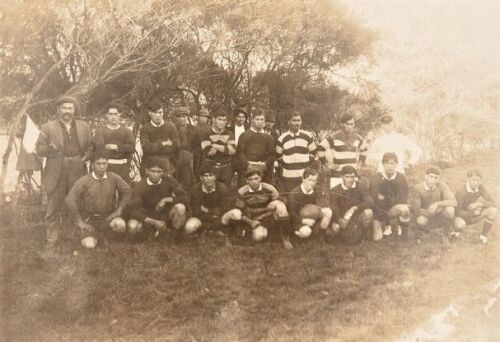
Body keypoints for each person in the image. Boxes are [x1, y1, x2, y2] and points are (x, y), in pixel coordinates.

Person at [36, 95, 93, 246]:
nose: (67, 111)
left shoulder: (83, 126)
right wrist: (49, 148)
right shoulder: (48, 127)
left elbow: (90, 147)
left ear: (74, 110)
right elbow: (39, 149)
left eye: (70, 108)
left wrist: (83, 159)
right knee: (54, 204)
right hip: (57, 169)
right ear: (58, 109)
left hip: (77, 167)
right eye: (64, 108)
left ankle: (71, 236)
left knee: (75, 202)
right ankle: (51, 238)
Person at [65, 150, 132, 249]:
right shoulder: (84, 180)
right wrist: (79, 221)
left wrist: (119, 209)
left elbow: (128, 190)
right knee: (89, 245)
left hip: (107, 218)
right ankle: (95, 236)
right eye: (98, 164)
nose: (102, 166)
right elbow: (70, 199)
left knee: (120, 224)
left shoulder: (113, 177)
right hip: (90, 219)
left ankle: (105, 235)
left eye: (104, 163)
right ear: (92, 165)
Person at [222, 169, 293, 249]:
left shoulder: (269, 188)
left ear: (260, 178)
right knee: (259, 237)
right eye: (250, 179)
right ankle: (265, 234)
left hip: (268, 216)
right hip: (253, 218)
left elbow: (283, 202)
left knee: (281, 206)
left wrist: (273, 204)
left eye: (256, 178)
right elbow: (239, 211)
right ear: (247, 181)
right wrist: (251, 222)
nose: (254, 182)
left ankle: (286, 238)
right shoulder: (242, 192)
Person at [127, 157, 189, 240]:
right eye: (152, 171)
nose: (155, 174)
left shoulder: (169, 181)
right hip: (147, 217)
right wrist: (154, 222)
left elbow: (186, 197)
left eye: (159, 171)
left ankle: (173, 238)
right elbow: (134, 211)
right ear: (147, 171)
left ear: (162, 172)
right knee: (132, 227)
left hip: (164, 216)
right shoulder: (140, 186)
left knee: (180, 207)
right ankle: (148, 235)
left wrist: (166, 200)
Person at [318, 114, 368, 188]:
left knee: (352, 198)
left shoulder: (358, 138)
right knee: (336, 198)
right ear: (342, 124)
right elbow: (320, 147)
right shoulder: (334, 136)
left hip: (352, 175)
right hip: (337, 175)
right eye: (347, 124)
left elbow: (364, 150)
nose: (350, 126)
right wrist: (327, 164)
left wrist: (360, 164)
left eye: (352, 124)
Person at [369, 152, 411, 240]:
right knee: (377, 238)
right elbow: (375, 198)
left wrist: (385, 199)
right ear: (383, 164)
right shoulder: (376, 177)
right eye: (387, 163)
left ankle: (403, 232)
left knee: (404, 209)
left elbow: (403, 199)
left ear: (396, 164)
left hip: (393, 209)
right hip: (378, 211)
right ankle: (384, 225)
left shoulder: (401, 178)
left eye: (392, 163)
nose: (390, 166)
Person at [184, 164, 233, 237]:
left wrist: (208, 210)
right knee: (189, 227)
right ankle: (207, 229)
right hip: (202, 219)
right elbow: (195, 210)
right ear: (201, 178)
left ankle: (213, 230)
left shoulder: (222, 188)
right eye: (205, 176)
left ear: (214, 177)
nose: (208, 178)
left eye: (211, 175)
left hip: (218, 218)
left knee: (231, 214)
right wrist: (212, 214)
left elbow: (226, 208)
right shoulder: (195, 189)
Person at [412, 166, 457, 245]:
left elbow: (454, 202)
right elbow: (416, 210)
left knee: (450, 210)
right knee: (420, 220)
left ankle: (445, 235)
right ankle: (420, 233)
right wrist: (428, 212)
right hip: (424, 215)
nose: (433, 180)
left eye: (436, 177)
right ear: (425, 176)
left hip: (438, 214)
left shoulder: (441, 185)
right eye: (431, 176)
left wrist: (437, 204)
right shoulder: (418, 188)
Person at [329, 166, 373, 244]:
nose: (350, 180)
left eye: (352, 177)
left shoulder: (360, 186)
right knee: (337, 230)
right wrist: (339, 220)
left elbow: (370, 202)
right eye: (347, 177)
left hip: (357, 215)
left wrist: (354, 208)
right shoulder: (334, 190)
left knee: (368, 212)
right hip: (342, 217)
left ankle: (365, 232)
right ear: (341, 177)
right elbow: (333, 207)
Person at [276, 111, 317, 192]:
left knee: (305, 196)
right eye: (294, 120)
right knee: (291, 198)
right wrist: (288, 164)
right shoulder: (282, 138)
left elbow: (313, 152)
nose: (297, 123)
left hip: (304, 175)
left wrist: (306, 163)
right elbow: (278, 156)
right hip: (289, 176)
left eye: (299, 120)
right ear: (288, 122)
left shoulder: (307, 136)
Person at [454, 169, 498, 244]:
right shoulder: (461, 191)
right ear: (468, 179)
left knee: (493, 211)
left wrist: (479, 204)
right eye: (473, 180)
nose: (476, 182)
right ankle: (454, 233)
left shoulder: (481, 187)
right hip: (461, 216)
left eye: (478, 180)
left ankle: (483, 237)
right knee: (460, 224)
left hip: (474, 214)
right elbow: (457, 211)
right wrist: (473, 213)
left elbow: (493, 202)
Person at [287, 167, 332, 240]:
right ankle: (294, 234)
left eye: (314, 180)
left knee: (328, 212)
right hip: (297, 219)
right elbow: (291, 213)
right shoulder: (294, 193)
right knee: (306, 232)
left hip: (309, 215)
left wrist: (317, 209)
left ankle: (320, 236)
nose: (312, 183)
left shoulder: (314, 191)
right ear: (303, 179)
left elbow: (312, 205)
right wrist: (303, 220)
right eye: (310, 180)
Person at [94, 104, 135, 182]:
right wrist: (123, 149)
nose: (113, 117)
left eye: (115, 114)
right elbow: (100, 148)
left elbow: (131, 148)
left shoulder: (127, 131)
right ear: (106, 115)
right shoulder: (100, 131)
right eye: (110, 114)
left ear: (120, 115)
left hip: (123, 167)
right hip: (106, 167)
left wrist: (117, 147)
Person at [139, 98, 179, 176]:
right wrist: (164, 143)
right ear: (149, 113)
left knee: (167, 183)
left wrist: (155, 147)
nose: (158, 115)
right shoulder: (145, 128)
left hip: (166, 162)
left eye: (160, 112)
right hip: (149, 162)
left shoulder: (170, 126)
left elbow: (176, 145)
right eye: (155, 112)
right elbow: (146, 148)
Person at [236, 109, 275, 186]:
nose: (259, 122)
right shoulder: (244, 135)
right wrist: (248, 165)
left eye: (262, 119)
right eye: (257, 119)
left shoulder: (269, 138)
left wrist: (265, 164)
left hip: (263, 171)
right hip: (247, 170)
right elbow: (240, 153)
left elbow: (272, 155)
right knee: (246, 194)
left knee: (263, 194)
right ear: (252, 120)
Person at [199, 110, 236, 188]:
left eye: (224, 120)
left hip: (226, 168)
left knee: (226, 193)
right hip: (210, 169)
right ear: (213, 119)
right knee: (211, 193)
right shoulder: (205, 133)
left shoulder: (229, 133)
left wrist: (215, 145)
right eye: (219, 119)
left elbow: (232, 150)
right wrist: (225, 147)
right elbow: (208, 152)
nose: (222, 122)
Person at [172, 107, 196, 190]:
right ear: (176, 118)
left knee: (189, 182)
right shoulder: (172, 129)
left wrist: (192, 154)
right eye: (179, 116)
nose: (182, 119)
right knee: (176, 182)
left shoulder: (194, 129)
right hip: (176, 159)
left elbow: (198, 145)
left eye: (184, 116)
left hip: (191, 160)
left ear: (187, 117)